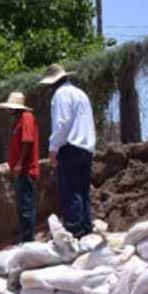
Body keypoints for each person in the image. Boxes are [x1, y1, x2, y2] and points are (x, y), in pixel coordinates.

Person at [41, 64, 96, 238]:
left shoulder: (60, 95)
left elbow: (62, 123)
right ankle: (86, 228)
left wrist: (53, 148)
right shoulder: (81, 94)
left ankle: (75, 231)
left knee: (70, 190)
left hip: (70, 147)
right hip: (86, 147)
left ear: (53, 82)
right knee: (83, 190)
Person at [0, 91, 40, 243]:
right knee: (22, 207)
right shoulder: (18, 121)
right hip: (20, 171)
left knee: (27, 207)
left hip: (26, 170)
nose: (9, 110)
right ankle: (25, 239)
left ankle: (29, 241)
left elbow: (27, 141)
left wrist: (20, 163)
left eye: (11, 107)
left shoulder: (27, 118)